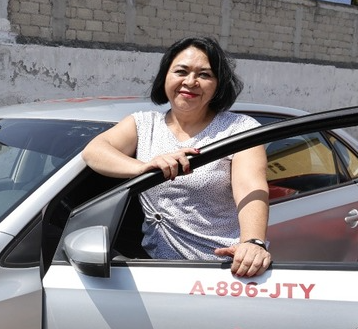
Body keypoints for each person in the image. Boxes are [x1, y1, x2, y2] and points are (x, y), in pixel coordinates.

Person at [82, 36, 271, 277]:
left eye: (204, 75)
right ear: (165, 77)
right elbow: (94, 151)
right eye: (181, 71)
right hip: (156, 267)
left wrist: (253, 243)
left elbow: (250, 186)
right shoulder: (143, 124)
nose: (190, 82)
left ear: (218, 84)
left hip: (222, 268)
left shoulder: (239, 129)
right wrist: (142, 167)